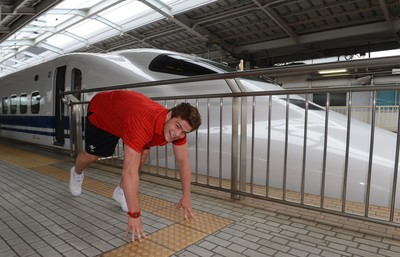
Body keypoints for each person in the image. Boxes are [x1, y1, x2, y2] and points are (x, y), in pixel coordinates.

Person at [69, 90, 201, 242]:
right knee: (93, 156)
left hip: (125, 118)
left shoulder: (175, 130)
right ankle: (77, 173)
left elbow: (183, 162)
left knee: (143, 153)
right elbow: (129, 173)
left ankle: (121, 192)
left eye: (184, 132)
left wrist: (186, 196)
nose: (178, 134)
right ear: (169, 115)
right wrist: (134, 215)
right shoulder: (142, 124)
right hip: (103, 114)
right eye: (177, 127)